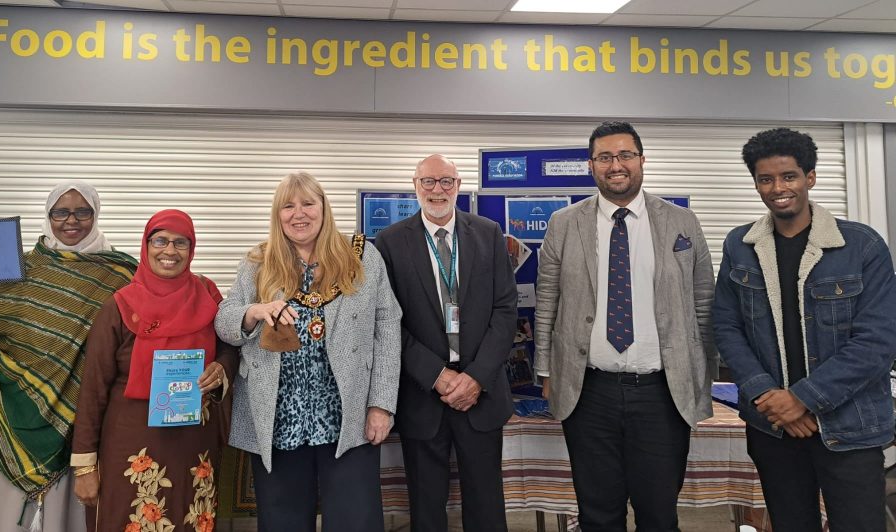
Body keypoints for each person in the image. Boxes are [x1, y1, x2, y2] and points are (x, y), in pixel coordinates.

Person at [534, 121, 716, 531]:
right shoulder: (565, 224)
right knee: (598, 515)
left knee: (659, 514)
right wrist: (544, 370)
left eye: (625, 155)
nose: (616, 165)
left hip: (661, 394)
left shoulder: (682, 222)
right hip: (589, 392)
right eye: (605, 157)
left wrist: (702, 375)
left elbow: (704, 303)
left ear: (642, 161)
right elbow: (547, 302)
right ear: (591, 166)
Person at [0, 181, 137, 532]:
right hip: (3, 417)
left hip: (73, 425)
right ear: (48, 216)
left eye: (82, 212)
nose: (72, 221)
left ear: (95, 216)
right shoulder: (20, 267)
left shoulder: (121, 275)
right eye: (61, 212)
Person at [713, 128, 896, 531]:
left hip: (850, 429)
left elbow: (877, 343)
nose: (778, 188)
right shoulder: (739, 246)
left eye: (789, 176)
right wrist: (768, 395)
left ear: (809, 177)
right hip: (774, 429)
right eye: (766, 179)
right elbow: (726, 327)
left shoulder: (862, 246)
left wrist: (804, 400)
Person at [215, 171, 401, 532]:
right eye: (288, 206)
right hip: (278, 418)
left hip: (348, 416)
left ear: (324, 208)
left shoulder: (361, 257)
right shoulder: (258, 262)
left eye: (307, 204)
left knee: (355, 522)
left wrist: (381, 404)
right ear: (277, 214)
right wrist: (253, 312)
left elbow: (388, 329)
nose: (298, 214)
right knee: (283, 521)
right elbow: (225, 321)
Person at [71, 209, 238, 532]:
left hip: (193, 446)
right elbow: (92, 389)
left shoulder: (207, 295)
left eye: (181, 243)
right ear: (145, 246)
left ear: (192, 249)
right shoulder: (119, 306)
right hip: (131, 446)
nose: (170, 251)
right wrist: (84, 467)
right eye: (160, 240)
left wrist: (222, 368)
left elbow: (230, 346)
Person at [374, 154, 517, 532]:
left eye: (446, 182)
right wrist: (436, 375)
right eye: (429, 182)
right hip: (424, 394)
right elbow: (388, 323)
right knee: (426, 507)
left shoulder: (488, 234)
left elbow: (505, 311)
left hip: (481, 393)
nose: (437, 190)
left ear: (458, 186)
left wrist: (477, 377)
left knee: (487, 505)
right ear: (415, 186)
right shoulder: (388, 243)